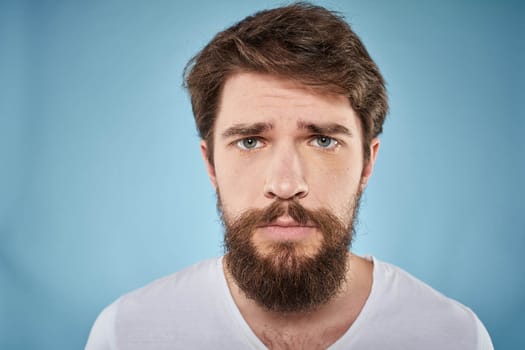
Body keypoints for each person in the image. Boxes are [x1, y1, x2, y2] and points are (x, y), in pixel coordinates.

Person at [85, 3, 493, 349]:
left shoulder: (455, 336)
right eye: (249, 142)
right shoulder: (127, 335)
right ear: (210, 165)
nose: (285, 184)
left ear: (368, 163)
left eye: (322, 140)